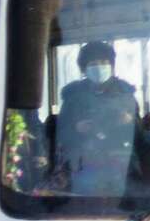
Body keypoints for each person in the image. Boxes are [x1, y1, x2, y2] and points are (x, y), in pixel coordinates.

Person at [55, 41, 140, 197]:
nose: (99, 67)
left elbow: (139, 134)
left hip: (120, 163)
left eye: (104, 63)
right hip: (83, 163)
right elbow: (60, 133)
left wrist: (128, 122)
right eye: (93, 63)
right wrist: (76, 129)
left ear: (112, 66)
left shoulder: (126, 95)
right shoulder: (73, 97)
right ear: (84, 68)